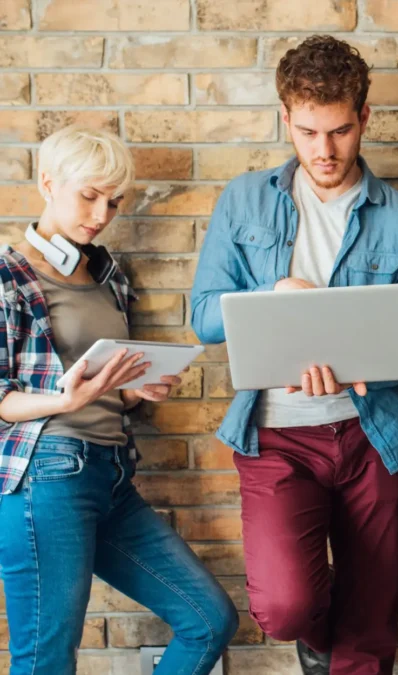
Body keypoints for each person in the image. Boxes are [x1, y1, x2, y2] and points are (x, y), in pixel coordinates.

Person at [190, 36, 398, 675]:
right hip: (275, 436)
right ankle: (315, 632)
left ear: (365, 118)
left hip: (371, 432)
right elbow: (202, 317)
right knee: (287, 606)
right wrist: (276, 294)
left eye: (340, 131)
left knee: (371, 623)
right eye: (307, 132)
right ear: (285, 119)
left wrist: (351, 358)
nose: (324, 151)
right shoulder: (243, 201)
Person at [0, 126, 238, 675]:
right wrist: (61, 401)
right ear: (47, 182)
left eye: (114, 201)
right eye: (88, 196)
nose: (102, 213)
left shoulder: (108, 277)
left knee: (208, 620)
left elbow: (106, 391)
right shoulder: (9, 277)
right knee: (45, 662)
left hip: (109, 475)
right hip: (46, 477)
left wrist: (133, 391)